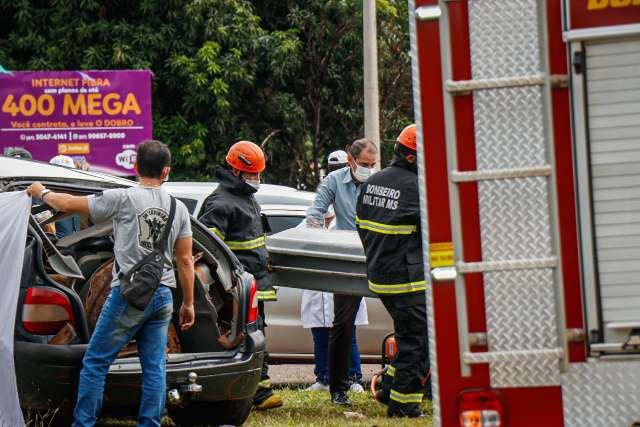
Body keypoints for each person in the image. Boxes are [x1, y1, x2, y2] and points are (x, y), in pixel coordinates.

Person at [27, 140, 196, 427]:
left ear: (135, 166)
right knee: (155, 368)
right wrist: (189, 303)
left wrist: (39, 191)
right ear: (167, 170)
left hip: (127, 296)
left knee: (95, 362)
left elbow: (68, 204)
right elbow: (186, 261)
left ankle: (84, 424)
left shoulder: (123, 198)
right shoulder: (177, 208)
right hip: (163, 295)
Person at [198, 140, 283, 410]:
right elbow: (209, 251)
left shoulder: (246, 198)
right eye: (251, 174)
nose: (256, 180)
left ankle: (260, 388)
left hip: (254, 285)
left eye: (258, 174)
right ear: (236, 172)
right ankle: (253, 392)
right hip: (235, 289)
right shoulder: (220, 203)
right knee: (244, 337)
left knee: (256, 334)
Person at [355, 124, 429, 418]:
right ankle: (402, 405)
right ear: (411, 157)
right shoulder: (416, 188)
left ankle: (388, 387)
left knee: (410, 335)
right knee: (418, 340)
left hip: (380, 275)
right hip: (406, 280)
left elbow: (361, 226)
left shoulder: (374, 182)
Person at [306, 139, 378, 406]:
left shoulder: (379, 183)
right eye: (364, 164)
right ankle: (339, 388)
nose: (369, 169)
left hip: (380, 255)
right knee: (342, 324)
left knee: (407, 316)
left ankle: (407, 382)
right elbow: (315, 213)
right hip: (349, 258)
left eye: (373, 165)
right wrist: (318, 238)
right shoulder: (334, 181)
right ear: (351, 160)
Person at [48, 155, 81, 239]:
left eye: (70, 171)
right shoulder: (43, 194)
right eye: (62, 171)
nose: (66, 175)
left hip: (76, 246)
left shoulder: (77, 191)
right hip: (56, 247)